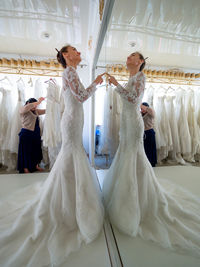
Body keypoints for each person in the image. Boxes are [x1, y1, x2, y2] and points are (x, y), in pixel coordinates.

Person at [0, 45, 104, 267]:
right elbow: (83, 96)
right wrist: (96, 83)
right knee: (72, 155)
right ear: (66, 56)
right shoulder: (68, 72)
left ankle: (73, 195)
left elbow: (78, 97)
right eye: (74, 50)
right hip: (72, 120)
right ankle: (68, 201)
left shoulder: (72, 73)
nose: (78, 52)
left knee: (72, 155)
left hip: (74, 118)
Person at [103, 52, 200, 257]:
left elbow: (133, 99)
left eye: (132, 56)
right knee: (126, 155)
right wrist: (119, 84)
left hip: (134, 124)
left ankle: (135, 200)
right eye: (127, 55)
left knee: (133, 156)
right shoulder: (131, 78)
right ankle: (125, 194)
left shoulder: (141, 77)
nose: (127, 57)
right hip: (127, 122)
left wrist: (115, 84)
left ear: (140, 62)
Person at [17, 97, 45, 173]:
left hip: (35, 134)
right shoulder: (23, 110)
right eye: (33, 105)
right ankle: (25, 168)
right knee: (26, 152)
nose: (35, 107)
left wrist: (53, 105)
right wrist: (38, 102)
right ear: (28, 104)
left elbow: (45, 111)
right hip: (26, 134)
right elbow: (28, 107)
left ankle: (36, 165)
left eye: (36, 106)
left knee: (36, 150)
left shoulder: (36, 111)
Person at [141, 102, 157, 167]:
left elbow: (149, 109)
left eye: (143, 108)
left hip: (149, 132)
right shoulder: (140, 114)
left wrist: (140, 104)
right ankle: (146, 163)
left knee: (150, 149)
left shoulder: (151, 113)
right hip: (143, 133)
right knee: (145, 149)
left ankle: (152, 163)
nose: (142, 110)